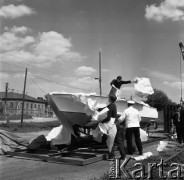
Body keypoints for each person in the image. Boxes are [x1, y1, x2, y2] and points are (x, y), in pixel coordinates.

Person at [97, 95, 125, 159]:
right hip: (116, 124)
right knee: (118, 140)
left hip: (112, 125)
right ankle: (123, 155)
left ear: (110, 99)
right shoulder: (113, 105)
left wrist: (102, 122)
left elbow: (108, 117)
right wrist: (97, 109)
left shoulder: (111, 106)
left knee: (110, 140)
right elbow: (105, 108)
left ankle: (111, 156)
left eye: (108, 98)